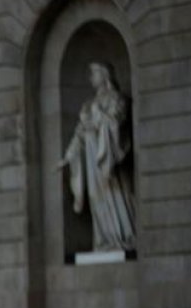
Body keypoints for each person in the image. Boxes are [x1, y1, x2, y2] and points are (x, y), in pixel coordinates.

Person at [57, 61, 137, 252]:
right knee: (95, 196)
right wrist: (67, 157)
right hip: (92, 158)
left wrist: (99, 116)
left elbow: (117, 123)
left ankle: (123, 236)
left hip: (107, 157)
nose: (91, 77)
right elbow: (79, 134)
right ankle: (104, 240)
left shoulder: (116, 99)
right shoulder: (87, 105)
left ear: (105, 75)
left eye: (94, 73)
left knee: (115, 193)